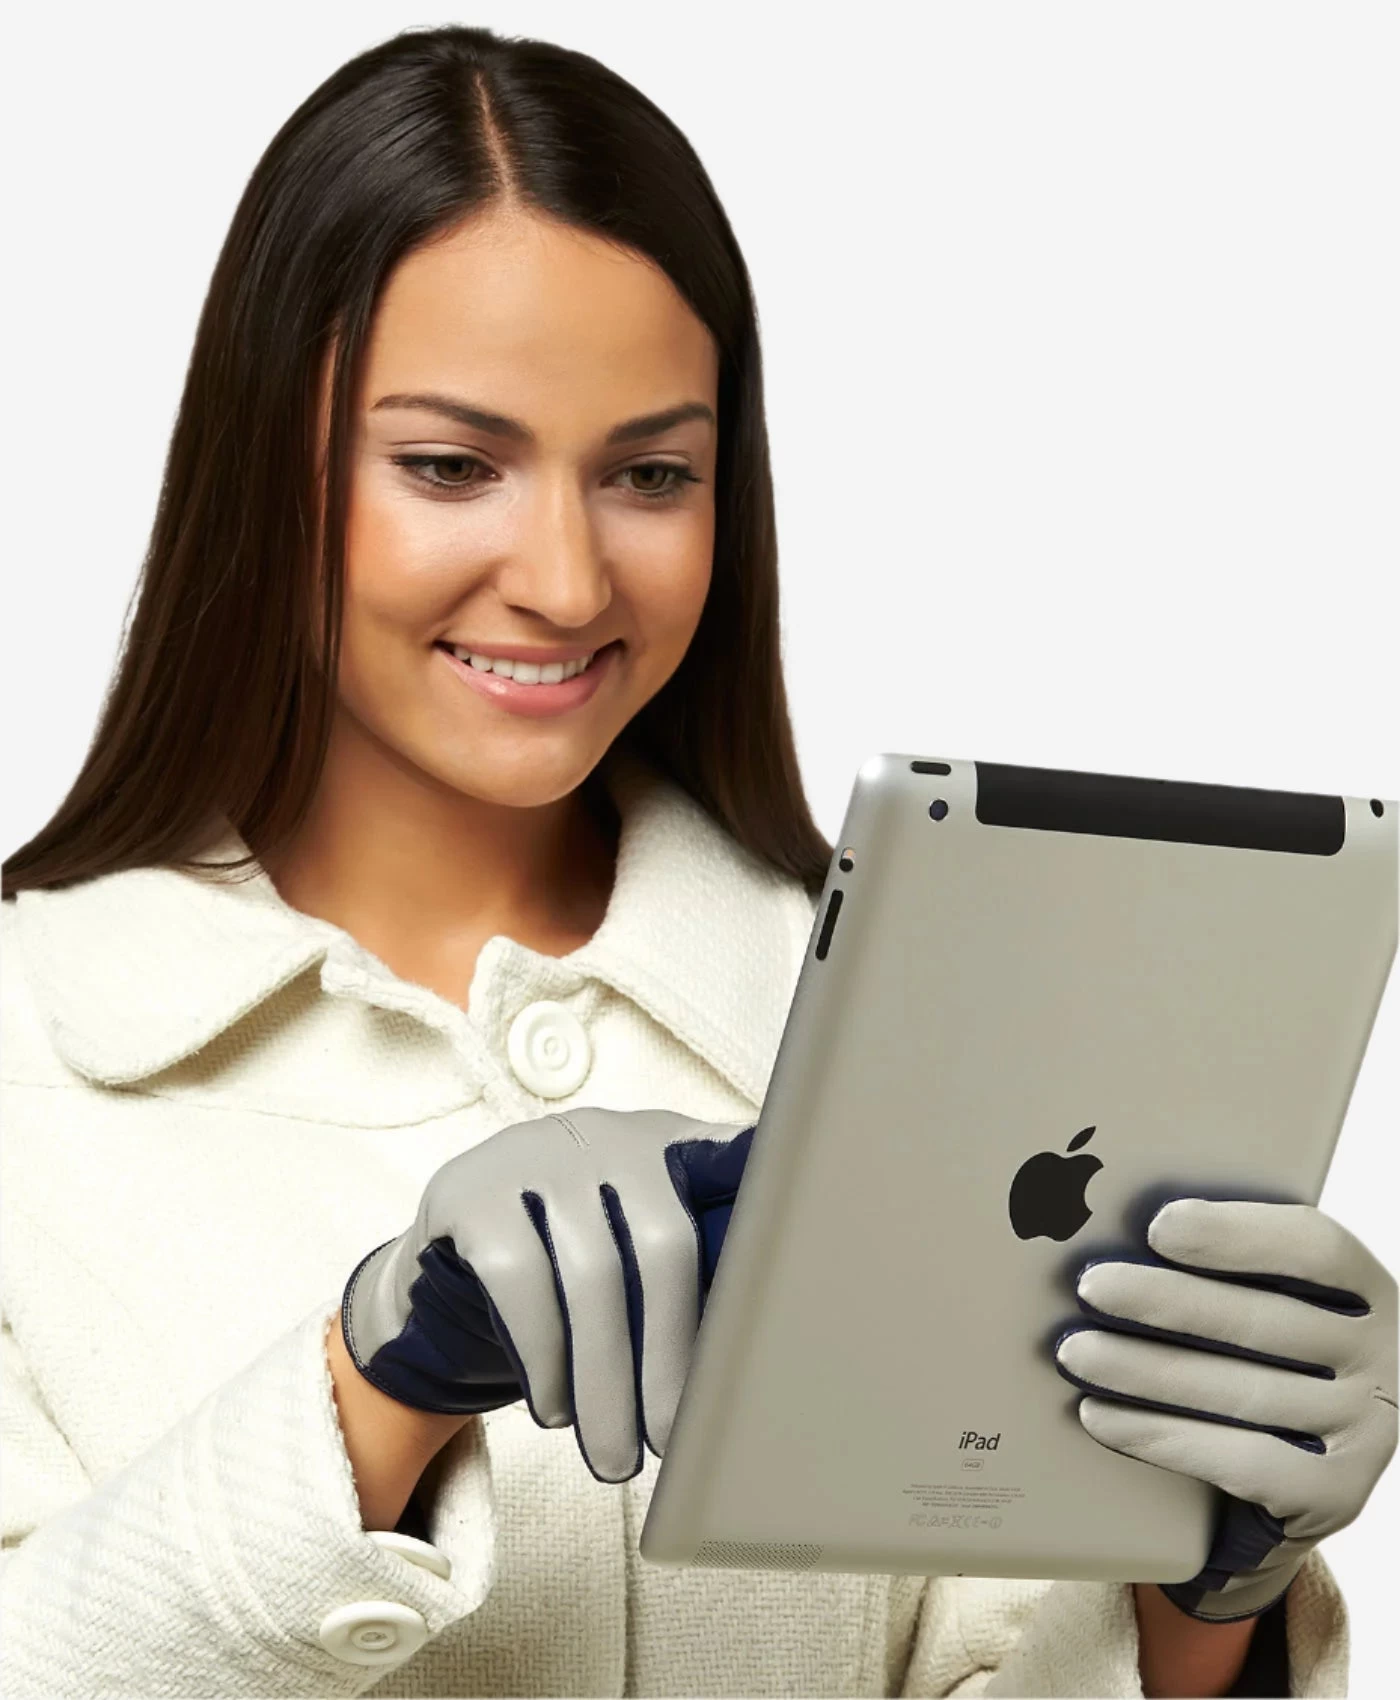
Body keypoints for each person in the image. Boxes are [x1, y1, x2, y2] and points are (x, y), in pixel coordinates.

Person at [0, 23, 1389, 1699]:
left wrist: (1208, 1590)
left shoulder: (913, 1033)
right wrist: (378, 1377)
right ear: (262, 471)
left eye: (651, 474)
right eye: (450, 465)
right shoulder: (29, 1056)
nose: (568, 581)